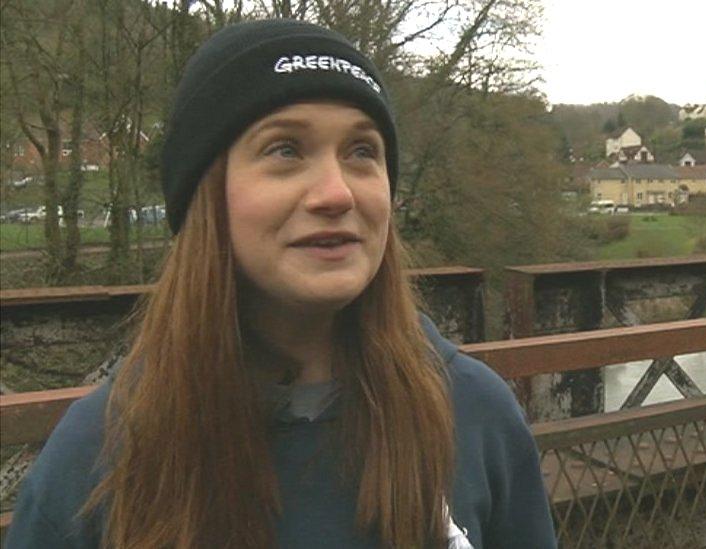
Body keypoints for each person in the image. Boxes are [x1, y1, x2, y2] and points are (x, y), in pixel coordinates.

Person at [5, 19, 556, 549]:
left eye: (362, 152)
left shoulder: (475, 413)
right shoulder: (102, 453)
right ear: (206, 196)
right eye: (285, 150)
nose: (336, 193)